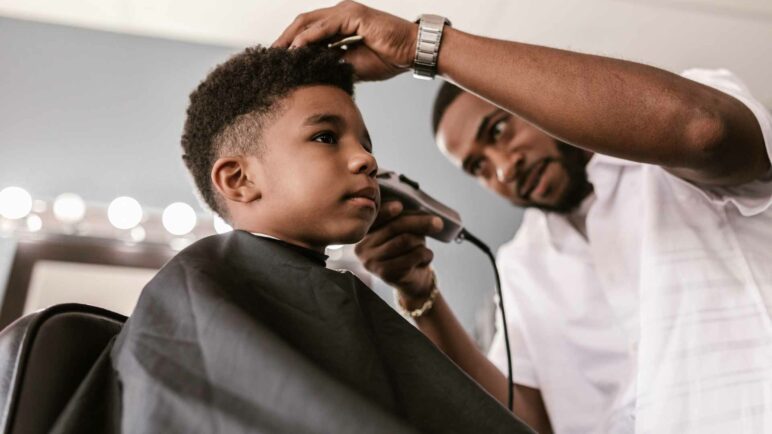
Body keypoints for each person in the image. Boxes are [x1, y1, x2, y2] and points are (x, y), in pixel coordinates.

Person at [273, 3, 772, 434]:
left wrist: (424, 46)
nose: (504, 168)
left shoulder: (673, 166)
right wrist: (420, 293)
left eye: (499, 130)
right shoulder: (521, 267)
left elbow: (703, 131)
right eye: (479, 167)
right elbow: (520, 419)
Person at [99, 45, 532, 434]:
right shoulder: (201, 289)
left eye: (366, 144)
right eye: (326, 137)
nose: (366, 159)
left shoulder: (331, 295)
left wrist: (420, 292)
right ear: (239, 179)